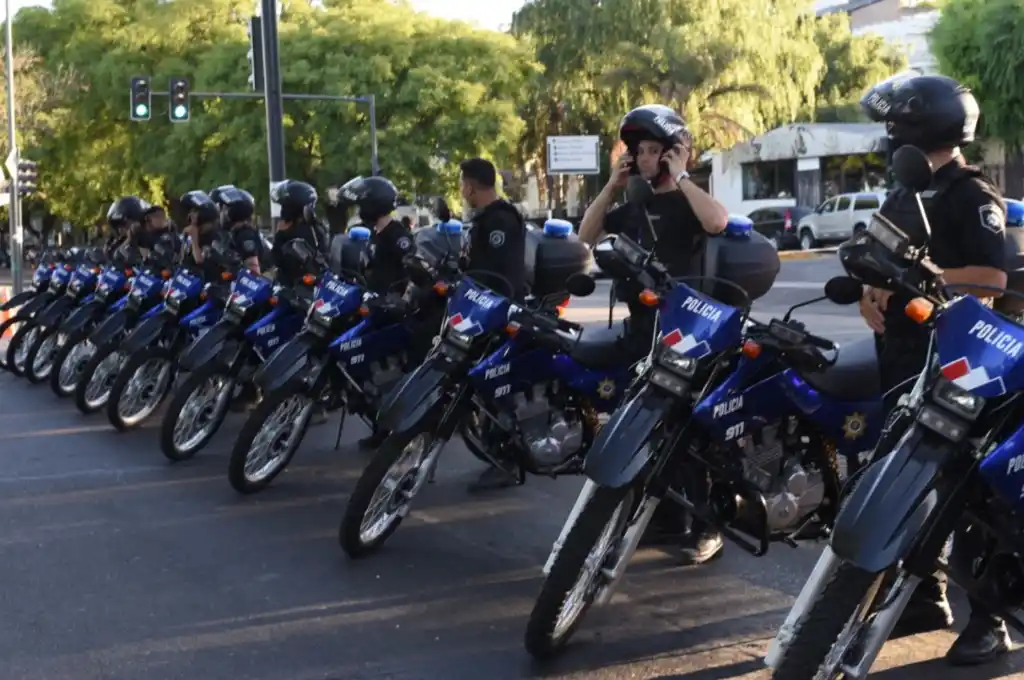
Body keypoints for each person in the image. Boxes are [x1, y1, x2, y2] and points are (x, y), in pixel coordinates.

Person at [858, 73, 1010, 666]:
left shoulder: (973, 196)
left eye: (896, 126)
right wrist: (871, 289)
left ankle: (990, 619)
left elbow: (993, 279)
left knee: (967, 493)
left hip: (957, 364)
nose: (889, 137)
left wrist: (924, 280)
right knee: (904, 478)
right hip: (901, 355)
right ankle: (926, 597)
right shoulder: (904, 190)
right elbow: (880, 253)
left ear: (923, 129)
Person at [577, 104, 729, 565]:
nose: (641, 158)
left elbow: (717, 222)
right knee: (644, 426)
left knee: (691, 431)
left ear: (670, 155)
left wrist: (682, 175)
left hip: (689, 333)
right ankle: (665, 517)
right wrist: (611, 186)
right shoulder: (634, 205)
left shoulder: (687, 199)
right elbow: (586, 235)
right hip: (642, 329)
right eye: (636, 151)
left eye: (650, 151)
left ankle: (709, 525)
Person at [454, 158, 530, 491]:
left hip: (498, 314)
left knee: (500, 388)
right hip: (479, 312)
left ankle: (509, 459)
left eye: (461, 184)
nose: (461, 190)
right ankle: (494, 448)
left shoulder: (500, 219)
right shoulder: (485, 219)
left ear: (470, 186)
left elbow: (498, 275)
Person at [330, 175, 417, 451]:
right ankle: (378, 425)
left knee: (385, 372)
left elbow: (411, 273)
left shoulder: (398, 236)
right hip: (372, 308)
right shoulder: (373, 234)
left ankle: (391, 429)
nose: (359, 209)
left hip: (391, 313)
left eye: (363, 203)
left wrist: (401, 300)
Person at [269, 179, 328, 284]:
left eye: (286, 207)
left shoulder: (310, 231)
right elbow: (275, 258)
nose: (284, 213)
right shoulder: (289, 229)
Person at [217, 187, 262, 274]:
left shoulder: (245, 235)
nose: (221, 212)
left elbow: (253, 268)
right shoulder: (233, 233)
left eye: (225, 208)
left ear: (234, 211)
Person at [178, 190, 223, 278]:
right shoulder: (192, 232)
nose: (190, 215)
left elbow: (199, 260)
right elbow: (182, 262)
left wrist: (194, 238)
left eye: (194, 211)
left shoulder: (215, 236)